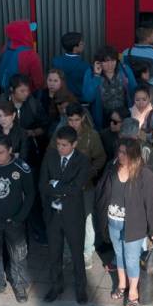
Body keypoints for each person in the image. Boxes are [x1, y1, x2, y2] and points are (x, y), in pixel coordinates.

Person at [96, 136, 153, 306]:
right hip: (113, 222)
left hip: (134, 225)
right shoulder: (112, 168)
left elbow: (152, 204)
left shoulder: (145, 175)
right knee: (119, 255)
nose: (121, 155)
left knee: (131, 259)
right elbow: (103, 190)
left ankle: (133, 292)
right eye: (120, 152)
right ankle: (122, 285)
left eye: (125, 153)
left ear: (134, 155)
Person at [0, 136, 36, 302]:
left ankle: (19, 285)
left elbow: (30, 194)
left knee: (18, 254)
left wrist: (20, 218)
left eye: (1, 152)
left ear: (10, 150)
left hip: (14, 221)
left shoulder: (21, 168)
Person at [40, 126, 92, 303]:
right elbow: (43, 184)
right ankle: (56, 285)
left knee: (77, 253)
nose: (60, 148)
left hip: (73, 215)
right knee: (54, 253)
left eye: (64, 145)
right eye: (58, 144)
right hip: (53, 213)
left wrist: (55, 185)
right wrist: (59, 188)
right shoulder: (50, 156)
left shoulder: (82, 160)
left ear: (74, 144)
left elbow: (76, 188)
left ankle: (81, 288)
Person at [62, 103, 107, 269]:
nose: (73, 123)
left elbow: (100, 158)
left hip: (86, 187)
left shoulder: (91, 136)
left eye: (76, 120)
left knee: (87, 221)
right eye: (70, 120)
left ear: (82, 118)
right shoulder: (61, 135)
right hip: (66, 187)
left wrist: (91, 172)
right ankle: (68, 253)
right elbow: (51, 155)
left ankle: (87, 254)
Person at [83, 45, 136, 129]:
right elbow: (88, 98)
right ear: (99, 62)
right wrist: (97, 76)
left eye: (113, 60)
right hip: (102, 118)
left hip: (124, 116)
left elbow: (134, 91)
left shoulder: (124, 70)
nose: (110, 65)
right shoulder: (90, 73)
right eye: (106, 61)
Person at [122, 26, 153, 101]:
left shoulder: (126, 52)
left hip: (132, 94)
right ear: (147, 37)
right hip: (150, 95)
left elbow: (123, 75)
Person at [0, 20, 43, 92]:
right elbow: (38, 81)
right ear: (25, 33)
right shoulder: (30, 54)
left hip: (6, 91)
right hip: (24, 94)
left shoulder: (5, 48)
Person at [51, 31, 90, 99]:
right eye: (81, 43)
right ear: (75, 48)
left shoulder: (55, 61)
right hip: (78, 101)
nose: (83, 44)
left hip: (59, 99)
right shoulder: (85, 66)